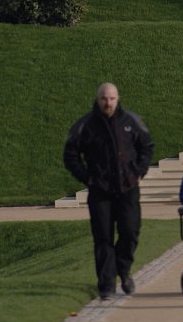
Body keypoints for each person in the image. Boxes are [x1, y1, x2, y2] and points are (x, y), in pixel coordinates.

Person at [63, 82, 154, 300]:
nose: (108, 102)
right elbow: (70, 154)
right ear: (98, 99)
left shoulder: (131, 121)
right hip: (100, 190)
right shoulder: (85, 125)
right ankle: (106, 284)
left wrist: (140, 170)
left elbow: (147, 146)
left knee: (130, 231)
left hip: (128, 187)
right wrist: (87, 178)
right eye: (104, 98)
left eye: (112, 98)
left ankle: (123, 270)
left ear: (118, 98)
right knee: (103, 237)